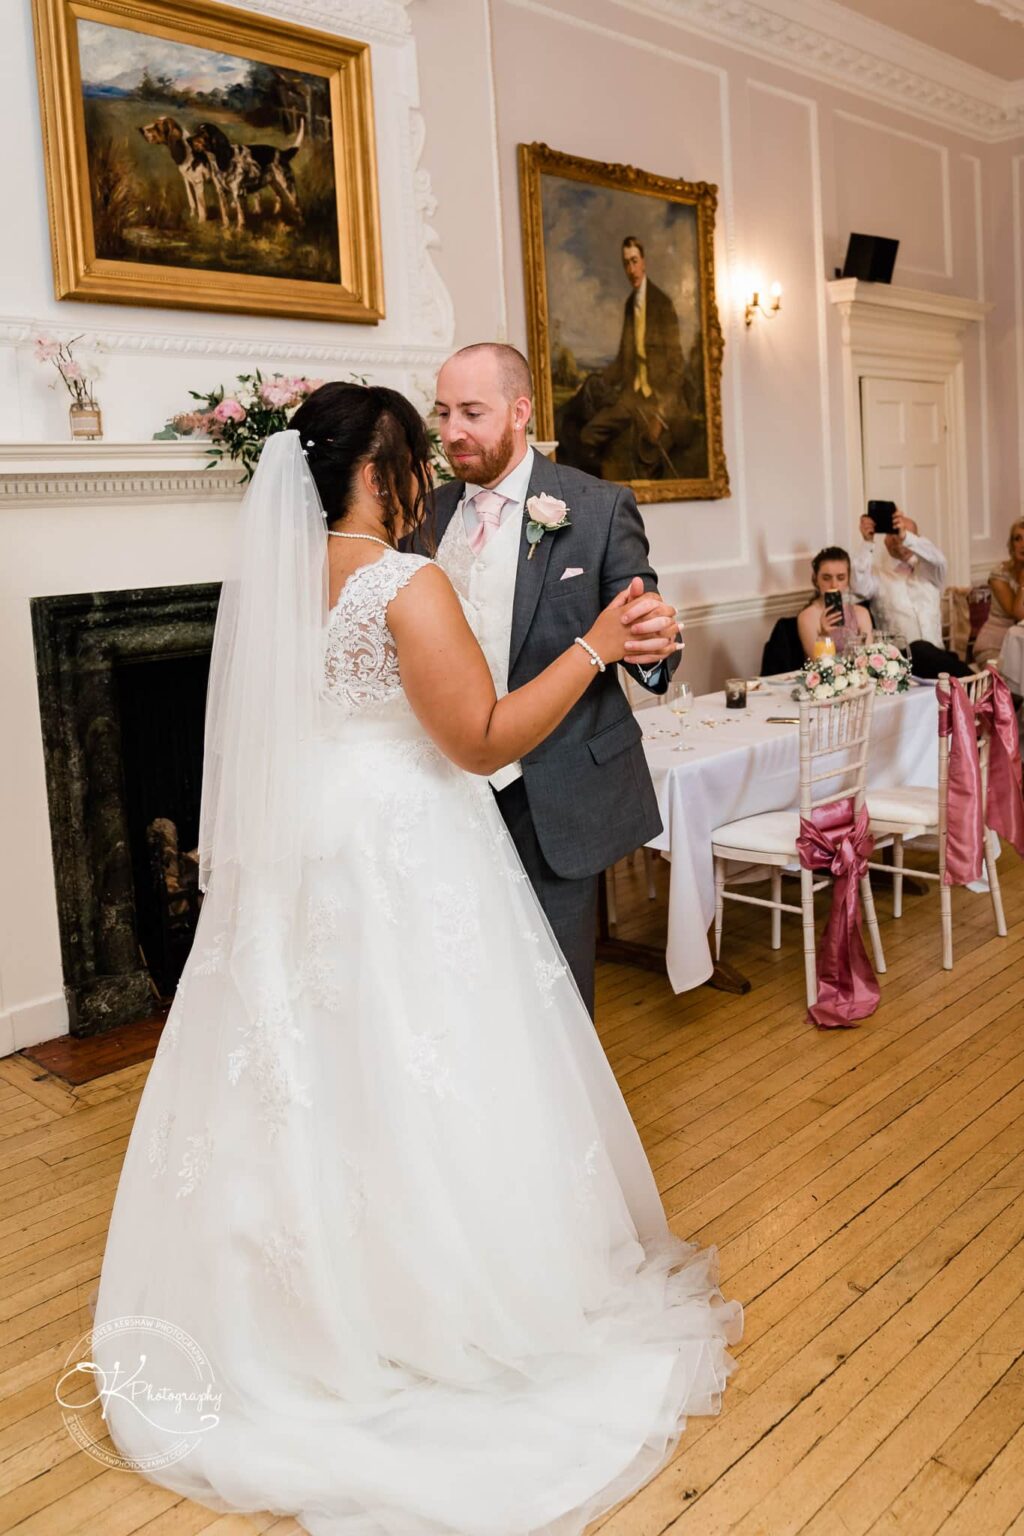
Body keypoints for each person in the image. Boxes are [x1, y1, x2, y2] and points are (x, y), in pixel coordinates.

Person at [90, 385, 741, 1536]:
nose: (436, 469)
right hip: (400, 842)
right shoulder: (404, 580)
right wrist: (592, 647)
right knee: (423, 1051)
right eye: (421, 447)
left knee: (308, 1062)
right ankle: (435, 1308)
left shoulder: (283, 582)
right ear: (388, 466)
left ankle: (288, 1309)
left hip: (308, 845)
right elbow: (479, 736)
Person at [429, 343, 681, 1015]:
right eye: (444, 412)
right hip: (444, 796)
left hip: (554, 795)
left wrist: (653, 643)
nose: (453, 431)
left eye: (473, 413)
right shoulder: (422, 515)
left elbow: (643, 625)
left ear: (520, 411)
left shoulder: (596, 507)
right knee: (463, 994)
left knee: (557, 1003)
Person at [556, 237, 700, 482]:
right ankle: (602, 489)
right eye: (626, 264)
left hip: (660, 401)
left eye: (634, 261)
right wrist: (593, 382)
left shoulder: (662, 304)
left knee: (649, 457)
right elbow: (623, 363)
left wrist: (661, 416)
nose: (631, 269)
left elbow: (676, 369)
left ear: (644, 262)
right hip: (632, 399)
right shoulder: (629, 305)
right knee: (588, 435)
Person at [852, 507, 972, 678]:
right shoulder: (877, 576)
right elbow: (858, 586)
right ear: (886, 540)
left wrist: (906, 538)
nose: (901, 539)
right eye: (896, 533)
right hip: (901, 663)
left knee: (932, 653)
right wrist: (867, 542)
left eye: (907, 534)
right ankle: (992, 689)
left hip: (939, 657)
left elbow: (939, 560)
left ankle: (989, 690)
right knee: (919, 648)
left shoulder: (930, 571)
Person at [797, 545, 872, 659]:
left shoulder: (861, 613)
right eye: (826, 578)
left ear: (848, 580)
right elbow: (818, 664)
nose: (834, 585)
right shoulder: (807, 617)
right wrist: (824, 635)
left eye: (840, 578)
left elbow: (868, 658)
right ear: (816, 579)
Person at [973, 516, 1024, 667]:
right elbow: (1018, 614)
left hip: (1020, 647)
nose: (1023, 544)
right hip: (994, 645)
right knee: (1004, 685)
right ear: (1011, 544)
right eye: (1018, 539)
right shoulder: (999, 574)